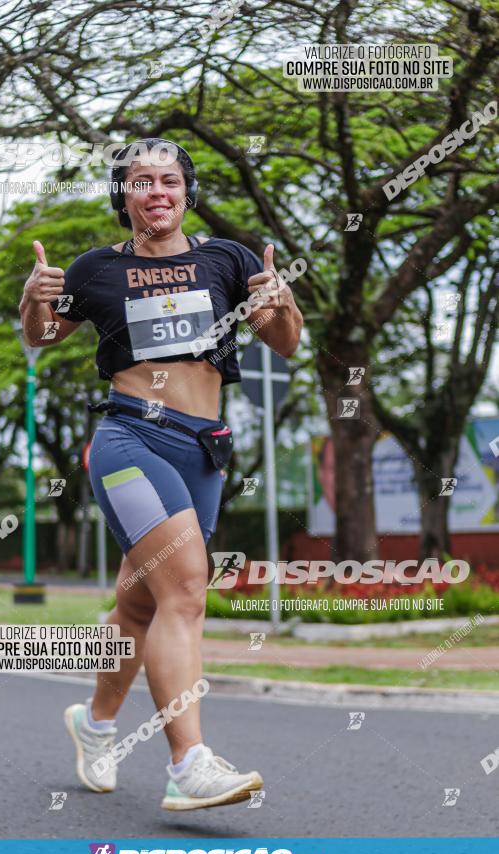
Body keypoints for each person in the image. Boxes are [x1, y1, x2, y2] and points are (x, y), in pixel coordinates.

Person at [19, 137, 303, 811]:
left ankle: (93, 725)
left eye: (168, 180)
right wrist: (34, 299)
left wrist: (280, 299)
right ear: (124, 198)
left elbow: (284, 341)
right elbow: (40, 338)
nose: (156, 192)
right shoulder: (94, 269)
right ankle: (188, 765)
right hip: (129, 438)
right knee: (184, 589)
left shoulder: (227, 258)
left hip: (201, 448)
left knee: (142, 604)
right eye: (141, 182)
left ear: (186, 192)